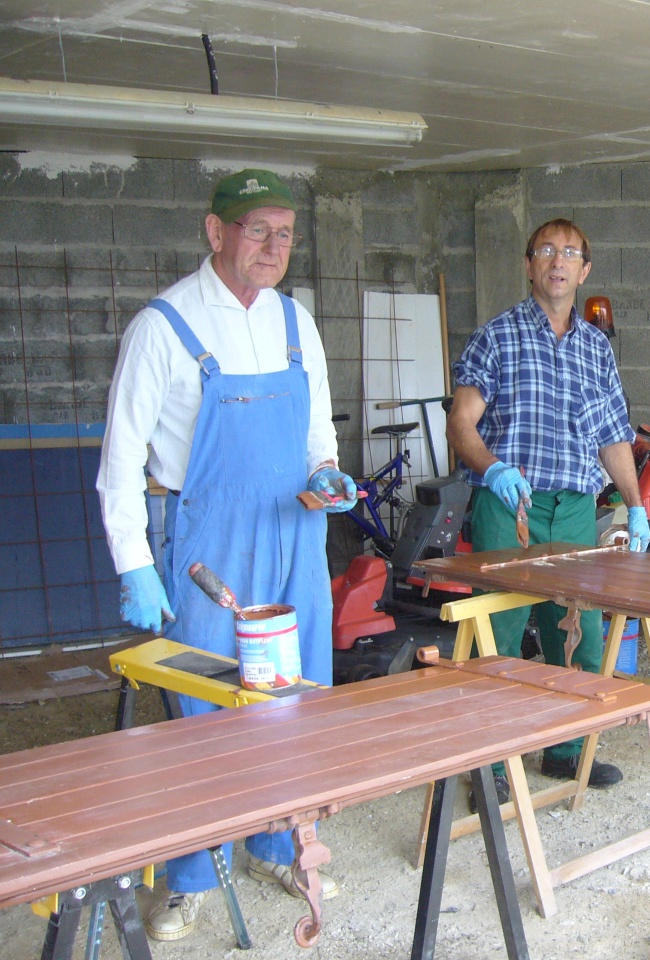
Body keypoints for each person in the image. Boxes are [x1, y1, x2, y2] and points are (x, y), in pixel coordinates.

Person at [96, 169, 356, 941]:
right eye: (256, 230)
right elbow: (118, 461)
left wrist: (326, 476)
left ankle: (276, 843)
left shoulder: (294, 321)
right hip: (207, 540)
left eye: (285, 233)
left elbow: (318, 437)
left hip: (293, 534)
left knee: (294, 697)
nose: (273, 247)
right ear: (216, 233)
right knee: (201, 713)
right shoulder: (163, 326)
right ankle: (189, 876)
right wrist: (134, 563)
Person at [446, 217, 650, 796]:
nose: (557, 261)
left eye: (570, 254)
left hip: (578, 509)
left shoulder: (596, 349)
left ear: (584, 271)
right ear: (530, 264)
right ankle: (490, 763)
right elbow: (461, 424)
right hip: (511, 506)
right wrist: (493, 468)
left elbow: (613, 436)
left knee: (578, 633)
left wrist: (635, 507)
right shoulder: (498, 336)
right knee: (501, 634)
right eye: (545, 251)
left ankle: (564, 750)